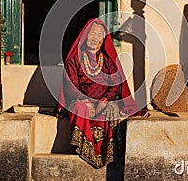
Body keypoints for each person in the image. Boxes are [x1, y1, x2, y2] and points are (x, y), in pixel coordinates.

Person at [54, 18, 139, 169]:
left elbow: (115, 85)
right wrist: (85, 101)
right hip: (81, 101)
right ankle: (83, 149)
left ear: (103, 40)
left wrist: (104, 100)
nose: (95, 38)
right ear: (86, 35)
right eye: (92, 34)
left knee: (112, 109)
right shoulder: (75, 59)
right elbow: (71, 85)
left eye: (99, 36)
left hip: (103, 102)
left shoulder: (107, 61)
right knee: (80, 108)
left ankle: (107, 152)